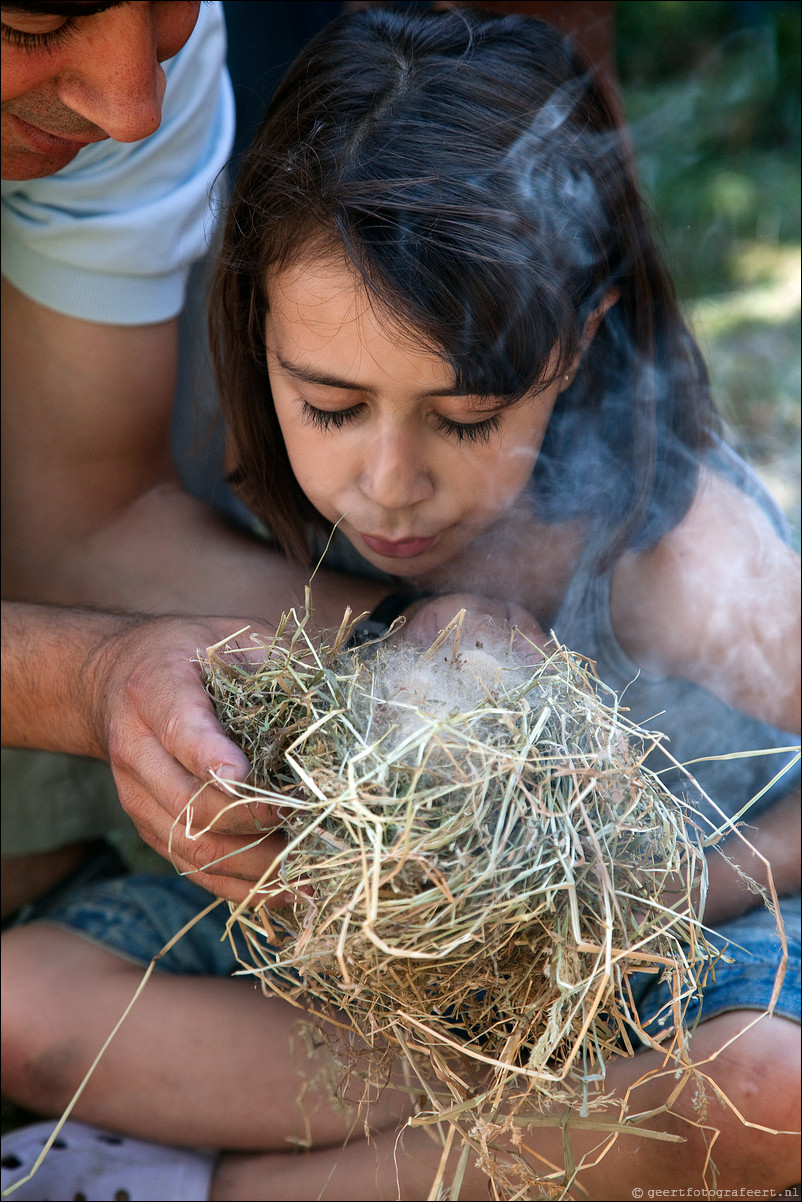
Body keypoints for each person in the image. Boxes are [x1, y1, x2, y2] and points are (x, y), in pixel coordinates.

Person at [2, 7, 799, 1200]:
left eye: (466, 419)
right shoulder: (260, 490)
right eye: (328, 405)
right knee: (21, 1004)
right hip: (363, 962)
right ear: (255, 319)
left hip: (633, 940)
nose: (388, 484)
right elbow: (99, 545)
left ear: (576, 347)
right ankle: (515, 1122)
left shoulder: (670, 560)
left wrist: (641, 895)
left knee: (766, 1086)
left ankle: (254, 1183)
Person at [0, 0, 389, 916]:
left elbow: (88, 518)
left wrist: (416, 641)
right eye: (29, 21)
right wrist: (85, 680)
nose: (137, 104)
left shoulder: (132, 71)